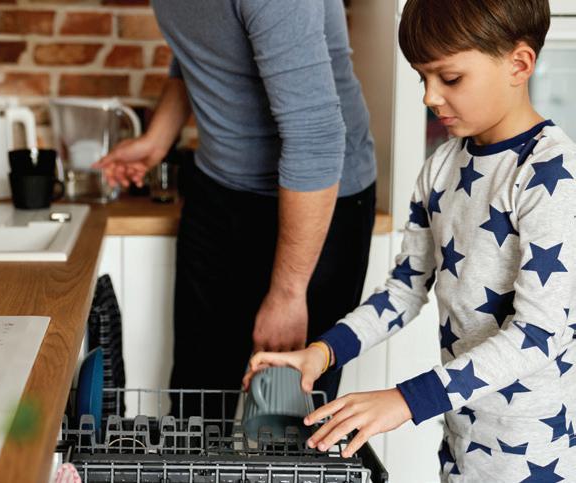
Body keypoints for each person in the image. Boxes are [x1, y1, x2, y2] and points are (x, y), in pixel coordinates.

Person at [245, 0, 576, 480]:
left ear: (519, 64)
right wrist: (323, 352)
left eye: (450, 78)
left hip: (536, 453)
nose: (430, 97)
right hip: (462, 438)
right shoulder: (441, 166)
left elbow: (540, 333)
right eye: (423, 78)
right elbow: (403, 290)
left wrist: (406, 399)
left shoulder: (552, 174)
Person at [95, 0, 377, 413]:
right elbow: (203, 47)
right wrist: (158, 138)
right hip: (218, 187)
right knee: (195, 403)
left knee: (287, 417)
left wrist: (288, 292)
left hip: (315, 200)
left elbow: (315, 139)